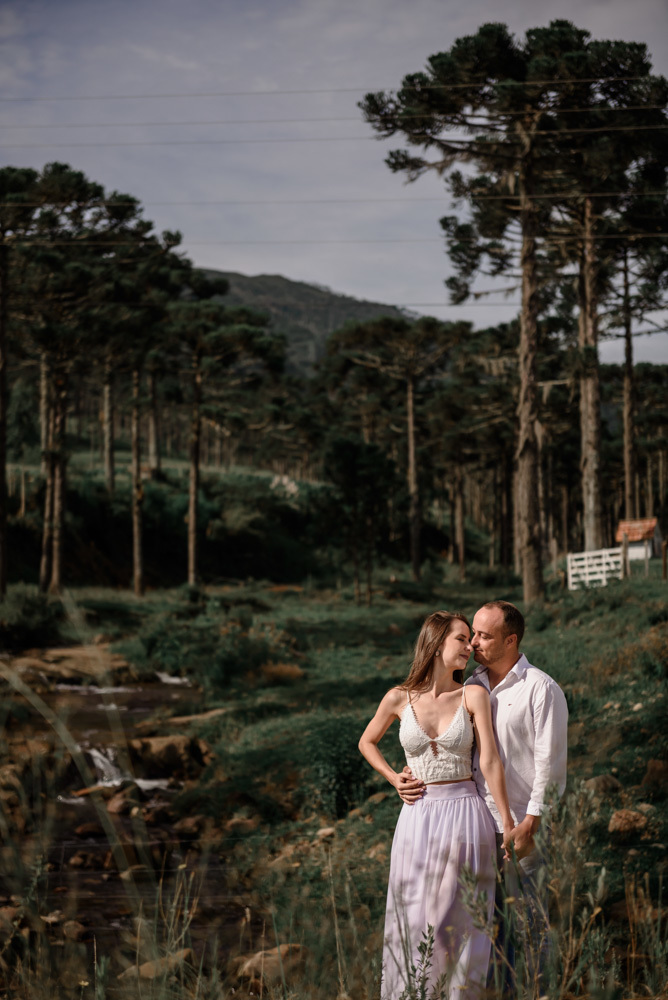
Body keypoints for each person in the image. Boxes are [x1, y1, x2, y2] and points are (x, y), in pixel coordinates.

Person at [358, 610, 515, 1000]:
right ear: (435, 643)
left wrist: (508, 823)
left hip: (464, 814)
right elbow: (366, 741)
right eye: (462, 639)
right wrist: (394, 777)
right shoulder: (398, 697)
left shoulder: (473, 694)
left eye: (471, 639)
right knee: (412, 919)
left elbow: (491, 761)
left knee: (457, 920)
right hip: (415, 818)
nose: (470, 646)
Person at [466, 600, 569, 987]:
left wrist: (531, 823)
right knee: (487, 927)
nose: (474, 642)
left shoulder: (541, 689)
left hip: (525, 828)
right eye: (473, 632)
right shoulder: (471, 685)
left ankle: (539, 992)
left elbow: (551, 763)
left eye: (484, 635)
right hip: (476, 823)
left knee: (532, 924)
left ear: (511, 640)